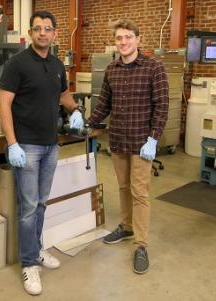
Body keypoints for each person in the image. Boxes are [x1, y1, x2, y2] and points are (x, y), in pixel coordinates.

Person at [0, 11, 84, 296]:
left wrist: (76, 110)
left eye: (47, 29)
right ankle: (29, 264)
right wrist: (12, 143)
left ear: (55, 33)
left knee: (42, 203)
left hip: (50, 145)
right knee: (28, 207)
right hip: (27, 146)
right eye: (37, 29)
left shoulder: (58, 65)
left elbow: (62, 95)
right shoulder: (17, 64)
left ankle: (35, 251)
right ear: (30, 33)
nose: (42, 33)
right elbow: (4, 104)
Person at [86, 19, 169, 274]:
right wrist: (88, 122)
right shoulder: (112, 69)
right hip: (119, 139)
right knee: (123, 187)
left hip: (141, 143)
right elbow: (104, 105)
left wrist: (153, 138)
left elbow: (162, 105)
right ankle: (127, 225)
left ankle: (141, 244)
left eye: (128, 37)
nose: (123, 42)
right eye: (119, 38)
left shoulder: (153, 68)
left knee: (139, 192)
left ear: (138, 39)